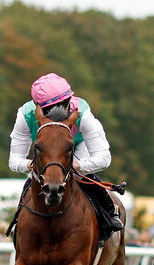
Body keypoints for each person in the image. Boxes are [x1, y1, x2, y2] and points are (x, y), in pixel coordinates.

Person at [8, 73, 124, 237]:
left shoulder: (82, 113)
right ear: (40, 108)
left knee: (80, 177)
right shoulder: (25, 115)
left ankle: (109, 216)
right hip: (46, 153)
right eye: (53, 108)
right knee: (33, 181)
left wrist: (76, 166)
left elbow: (104, 157)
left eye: (64, 104)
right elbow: (14, 160)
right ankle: (18, 222)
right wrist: (32, 166)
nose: (60, 110)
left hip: (77, 147)